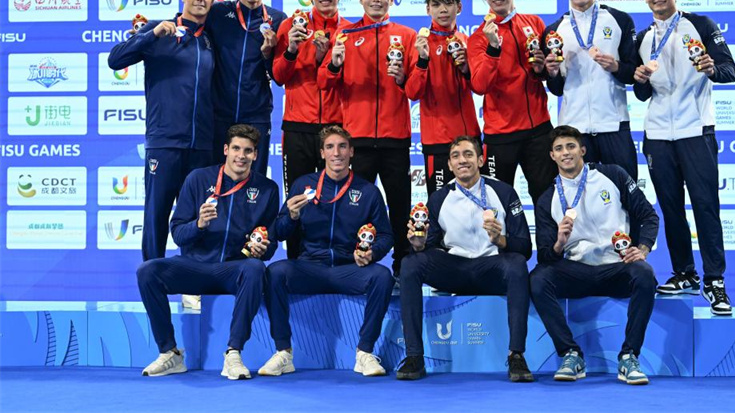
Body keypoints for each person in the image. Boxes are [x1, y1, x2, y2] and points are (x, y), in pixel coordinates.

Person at [136, 124, 280, 379]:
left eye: (248, 151)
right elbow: (178, 232)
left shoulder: (267, 189)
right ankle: (169, 352)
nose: (241, 156)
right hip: (196, 267)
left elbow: (270, 244)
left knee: (255, 268)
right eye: (236, 148)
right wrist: (199, 225)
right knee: (148, 271)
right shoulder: (198, 179)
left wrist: (261, 249)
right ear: (225, 150)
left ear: (256, 155)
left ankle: (233, 353)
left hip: (233, 270)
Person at [633, 0, 735, 315]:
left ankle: (715, 280)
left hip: (696, 131)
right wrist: (640, 79)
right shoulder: (644, 38)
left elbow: (730, 70)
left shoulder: (701, 25)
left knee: (706, 206)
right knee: (671, 208)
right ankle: (685, 274)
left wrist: (711, 69)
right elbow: (642, 94)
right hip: (657, 136)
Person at [396, 136, 534, 382]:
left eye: (469, 154)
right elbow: (430, 244)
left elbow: (524, 247)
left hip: (492, 268)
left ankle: (516, 355)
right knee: (410, 263)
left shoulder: (503, 191)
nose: (462, 160)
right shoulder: (438, 198)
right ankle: (414, 356)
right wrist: (418, 245)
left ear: (480, 160)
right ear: (449, 165)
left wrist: (500, 240)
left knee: (516, 264)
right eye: (456, 156)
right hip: (455, 270)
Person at [529, 125, 659, 385]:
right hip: (577, 271)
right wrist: (559, 243)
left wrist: (643, 249)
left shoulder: (612, 175)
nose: (565, 153)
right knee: (538, 279)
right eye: (559, 149)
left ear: (582, 150)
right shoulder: (547, 198)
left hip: (616, 267)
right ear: (552, 156)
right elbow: (545, 255)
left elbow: (648, 215)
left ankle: (629, 356)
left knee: (645, 275)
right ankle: (570, 354)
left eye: (571, 146)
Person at [261, 126, 395, 377]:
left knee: (382, 276)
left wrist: (372, 253)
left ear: (351, 152)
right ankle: (283, 352)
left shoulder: (368, 191)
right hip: (310, 267)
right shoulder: (303, 185)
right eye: (330, 147)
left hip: (348, 269)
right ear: (322, 153)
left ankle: (365, 352)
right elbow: (279, 232)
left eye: (342, 146)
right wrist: (291, 216)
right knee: (275, 272)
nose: (337, 153)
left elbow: (386, 235)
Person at [108, 0, 216, 261]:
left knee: (196, 219)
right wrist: (151, 34)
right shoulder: (159, 30)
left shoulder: (210, 40)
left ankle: (193, 279)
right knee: (156, 215)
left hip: (201, 146)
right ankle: (151, 276)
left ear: (212, 0)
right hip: (165, 142)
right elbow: (115, 60)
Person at [319, 0, 418, 276]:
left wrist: (402, 78)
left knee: (400, 206)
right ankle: (352, 267)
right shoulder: (345, 35)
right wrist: (334, 64)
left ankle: (403, 268)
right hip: (358, 139)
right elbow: (323, 82)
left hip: (395, 138)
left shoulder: (407, 35)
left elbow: (416, 89)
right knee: (354, 209)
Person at [273, 0, 351, 258]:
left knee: (336, 197)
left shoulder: (350, 31)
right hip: (298, 127)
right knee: (298, 199)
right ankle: (296, 261)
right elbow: (278, 75)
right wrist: (292, 48)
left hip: (336, 128)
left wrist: (327, 57)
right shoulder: (292, 26)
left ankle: (337, 260)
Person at [542, 0, 639, 182]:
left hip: (614, 123)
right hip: (574, 129)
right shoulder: (553, 32)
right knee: (580, 193)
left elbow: (633, 72)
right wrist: (553, 73)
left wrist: (616, 67)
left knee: (626, 191)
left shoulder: (619, 20)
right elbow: (556, 89)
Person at [467, 0, 556, 204]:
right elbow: (479, 85)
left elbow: (546, 73)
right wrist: (493, 48)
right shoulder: (478, 38)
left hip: (538, 129)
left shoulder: (534, 23)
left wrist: (541, 69)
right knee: (496, 203)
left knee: (548, 200)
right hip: (500, 135)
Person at [205, 0, 288, 176]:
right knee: (216, 177)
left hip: (256, 113)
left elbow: (279, 76)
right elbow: (185, 22)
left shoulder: (278, 19)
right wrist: (149, 30)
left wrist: (268, 53)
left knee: (255, 179)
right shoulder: (218, 13)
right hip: (220, 112)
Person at [405, 0, 481, 197]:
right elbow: (412, 93)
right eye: (436, 4)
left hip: (469, 136)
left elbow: (479, 87)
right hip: (436, 140)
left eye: (448, 3)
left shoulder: (468, 42)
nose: (443, 10)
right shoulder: (420, 44)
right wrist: (422, 61)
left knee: (477, 201)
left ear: (459, 7)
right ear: (428, 9)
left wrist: (466, 68)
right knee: (439, 205)